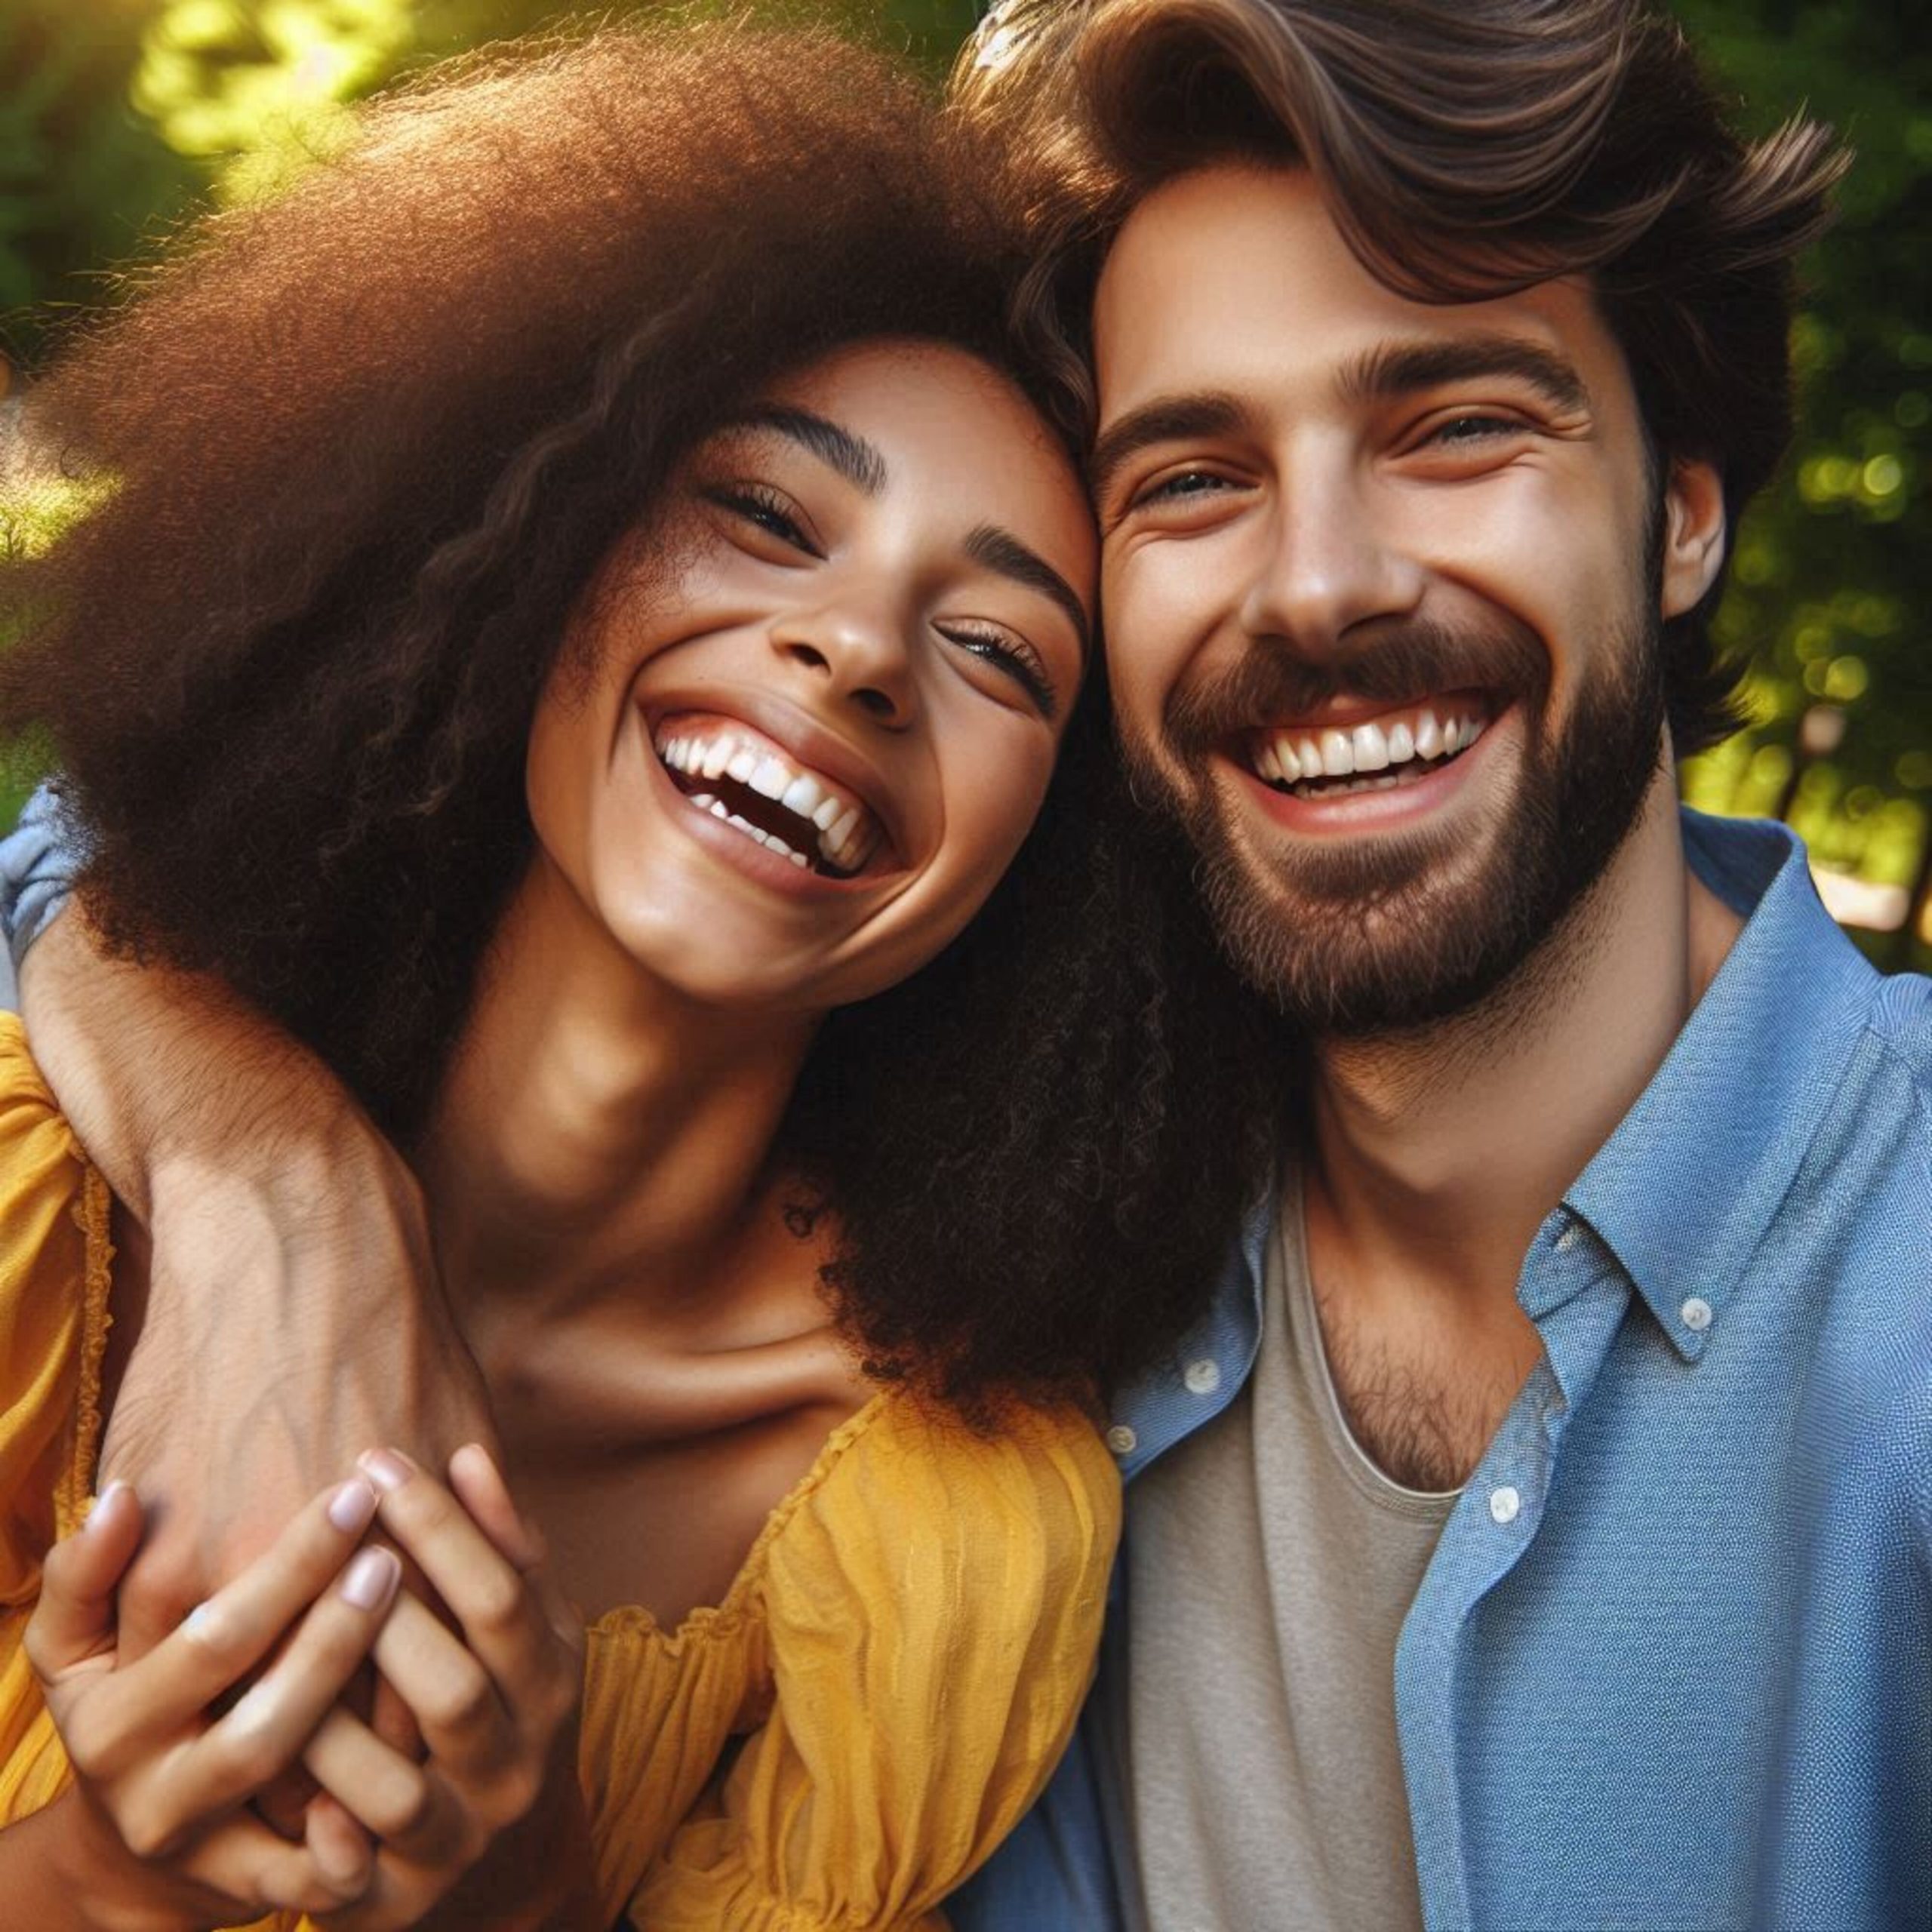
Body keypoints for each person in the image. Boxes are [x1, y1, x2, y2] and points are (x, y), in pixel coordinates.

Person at [0, 22, 1260, 1927]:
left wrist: (514, 1885)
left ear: (1065, 860)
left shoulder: (945, 1542)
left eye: (999, 649)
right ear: (519, 544)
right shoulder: (40, 1205)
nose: (853, 648)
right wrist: (99, 1872)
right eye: (761, 512)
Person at [937, 1, 1932, 1927]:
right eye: (1189, 478)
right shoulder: (988, 1248)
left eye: (1457, 424)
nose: (1316, 582)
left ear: (1679, 515)